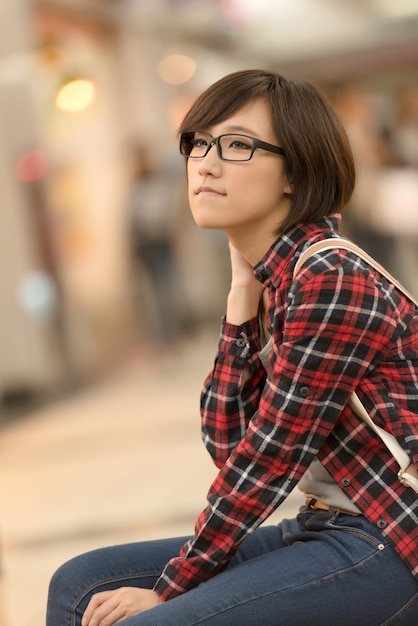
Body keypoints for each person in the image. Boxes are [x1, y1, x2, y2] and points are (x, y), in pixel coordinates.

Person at [46, 69, 418, 625]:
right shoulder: (272, 280)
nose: (205, 163)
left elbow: (270, 458)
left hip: (389, 535)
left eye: (237, 145)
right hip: (324, 526)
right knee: (80, 583)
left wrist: (172, 587)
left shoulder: (331, 274)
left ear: (296, 171)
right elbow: (225, 443)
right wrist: (240, 301)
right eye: (198, 144)